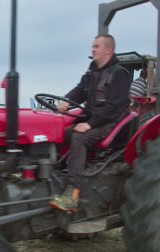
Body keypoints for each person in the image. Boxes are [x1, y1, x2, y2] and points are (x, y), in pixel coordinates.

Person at [48, 34, 130, 212]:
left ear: (108, 50)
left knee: (79, 138)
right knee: (60, 133)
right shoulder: (92, 72)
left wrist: (90, 124)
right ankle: (48, 175)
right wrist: (67, 100)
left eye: (97, 46)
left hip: (110, 122)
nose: (93, 49)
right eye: (93, 46)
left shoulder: (119, 74)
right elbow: (80, 90)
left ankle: (73, 193)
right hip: (93, 119)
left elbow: (114, 108)